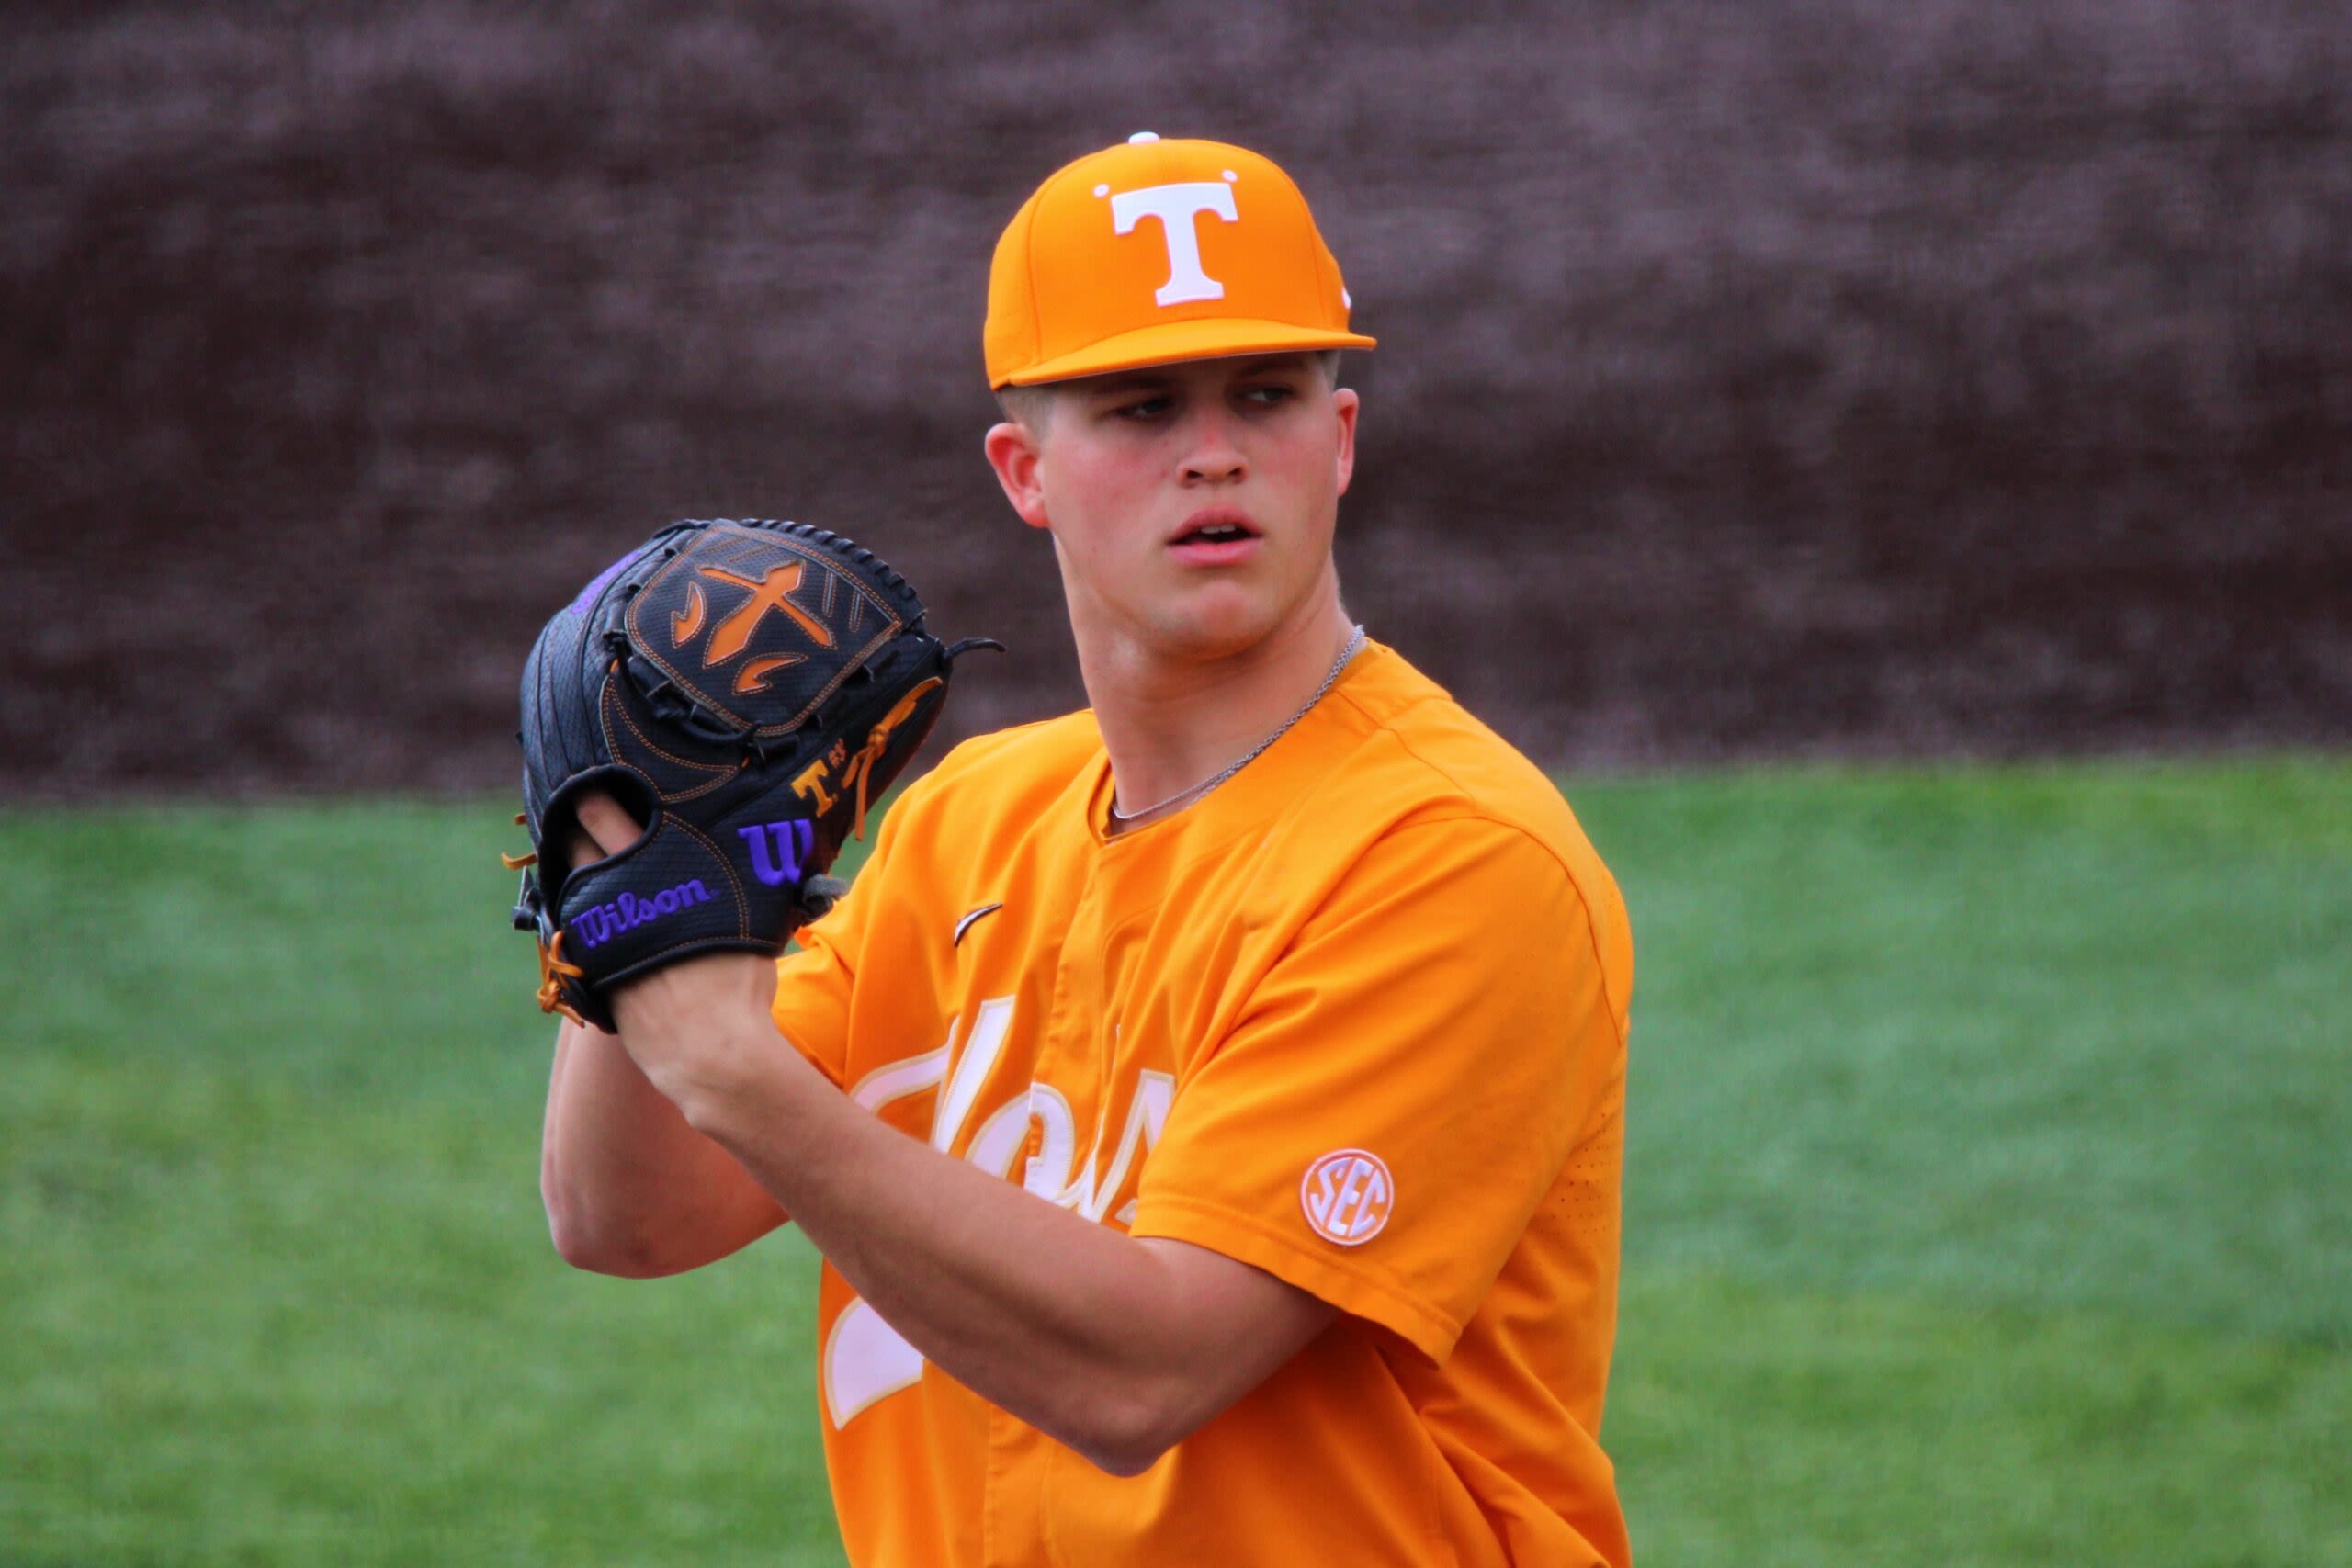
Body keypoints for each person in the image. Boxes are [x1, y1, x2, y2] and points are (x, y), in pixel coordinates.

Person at [539, 132, 1635, 1566]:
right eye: (1139, 407)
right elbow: (627, 1215)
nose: (1216, 450)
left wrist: (729, 1058)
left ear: (1343, 439)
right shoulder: (965, 823)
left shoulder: (1451, 857)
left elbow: (1144, 1374)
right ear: (1024, 469)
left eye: (1266, 394)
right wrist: (635, 874)